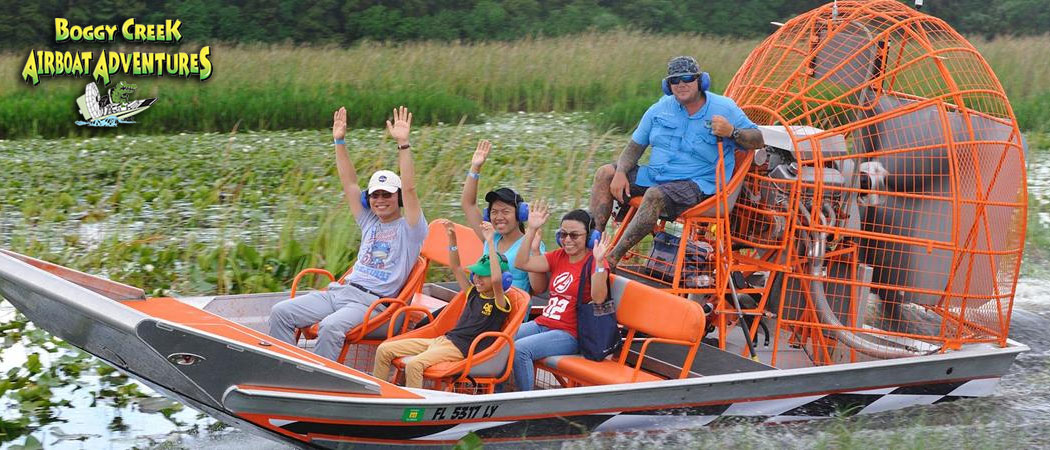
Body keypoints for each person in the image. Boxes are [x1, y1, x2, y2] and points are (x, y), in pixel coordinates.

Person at [268, 106, 427, 361]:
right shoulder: (369, 221)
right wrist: (339, 140)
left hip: (373, 305)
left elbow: (410, 189)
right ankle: (287, 372)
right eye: (375, 195)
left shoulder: (411, 228)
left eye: (387, 195)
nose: (380, 200)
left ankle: (323, 387)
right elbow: (350, 183)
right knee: (280, 312)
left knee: (331, 327)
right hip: (341, 292)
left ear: (397, 198)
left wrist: (403, 144)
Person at [589, 56, 765, 269]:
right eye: (675, 80)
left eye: (688, 78)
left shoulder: (724, 107)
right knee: (604, 173)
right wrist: (620, 172)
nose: (681, 84)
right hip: (657, 176)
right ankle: (592, 244)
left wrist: (732, 132)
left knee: (654, 195)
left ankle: (611, 260)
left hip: (699, 185)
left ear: (700, 81)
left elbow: (758, 139)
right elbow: (634, 147)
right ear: (668, 85)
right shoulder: (659, 108)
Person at [373, 220, 511, 389]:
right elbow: (456, 267)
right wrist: (452, 239)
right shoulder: (472, 292)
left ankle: (415, 409)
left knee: (414, 365)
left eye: (483, 276)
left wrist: (490, 241)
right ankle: (379, 394)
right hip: (442, 340)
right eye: (476, 274)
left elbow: (496, 279)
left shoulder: (500, 302)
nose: (477, 278)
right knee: (384, 350)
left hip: (460, 349)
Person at [511, 201, 613, 391]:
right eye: (563, 234)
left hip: (570, 333)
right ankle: (498, 394)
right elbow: (522, 262)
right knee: (502, 338)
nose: (567, 240)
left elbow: (598, 298)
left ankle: (525, 405)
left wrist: (599, 261)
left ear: (589, 237)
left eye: (574, 235)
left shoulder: (595, 261)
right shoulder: (558, 256)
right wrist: (532, 229)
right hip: (544, 324)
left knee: (520, 350)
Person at [461, 139, 547, 295]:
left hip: (511, 313)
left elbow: (539, 289)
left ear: (520, 214)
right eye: (494, 212)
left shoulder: (531, 243)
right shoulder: (490, 238)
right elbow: (468, 204)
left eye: (505, 211)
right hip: (483, 307)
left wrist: (534, 251)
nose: (498, 217)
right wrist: (475, 167)